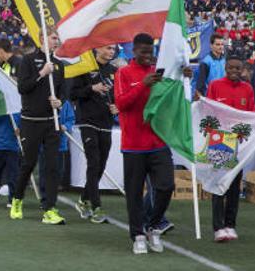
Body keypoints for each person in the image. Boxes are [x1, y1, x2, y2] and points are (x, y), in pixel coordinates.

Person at [114, 33, 186, 255]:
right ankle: (137, 235)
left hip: (158, 142)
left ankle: (153, 226)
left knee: (166, 186)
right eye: (143, 52)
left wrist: (185, 76)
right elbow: (121, 104)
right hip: (133, 144)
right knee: (134, 193)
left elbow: (173, 94)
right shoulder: (123, 73)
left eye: (150, 51)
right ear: (133, 51)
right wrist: (142, 85)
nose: (148, 56)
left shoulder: (161, 73)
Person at [10, 28, 66, 225]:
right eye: (53, 37)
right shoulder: (28, 60)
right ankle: (17, 200)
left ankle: (50, 208)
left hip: (51, 122)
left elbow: (62, 93)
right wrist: (42, 73)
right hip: (31, 121)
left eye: (58, 38)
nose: (56, 41)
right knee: (28, 163)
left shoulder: (59, 65)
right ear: (42, 38)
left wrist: (59, 102)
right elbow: (22, 88)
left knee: (52, 167)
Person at [205, 54, 255, 243]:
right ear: (225, 68)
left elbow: (251, 114)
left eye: (237, 68)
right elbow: (208, 111)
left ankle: (230, 225)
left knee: (234, 187)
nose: (233, 71)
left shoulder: (247, 89)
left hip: (239, 143)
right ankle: (218, 228)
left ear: (242, 69)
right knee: (219, 186)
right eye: (230, 68)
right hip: (220, 142)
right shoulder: (215, 85)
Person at [68, 44, 118, 224]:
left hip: (106, 122)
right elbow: (72, 93)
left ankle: (83, 200)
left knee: (101, 165)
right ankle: (96, 207)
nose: (111, 51)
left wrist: (117, 106)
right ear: (97, 49)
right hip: (88, 121)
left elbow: (118, 95)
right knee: (94, 162)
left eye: (113, 49)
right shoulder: (85, 68)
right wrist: (91, 89)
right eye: (108, 48)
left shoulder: (114, 71)